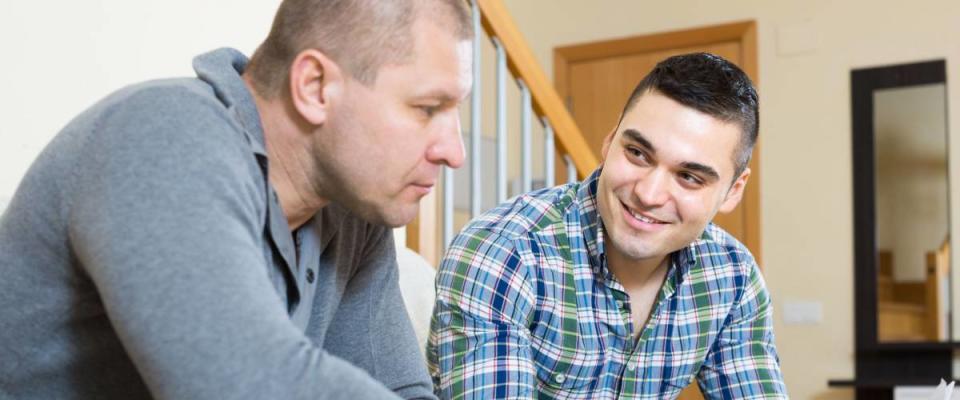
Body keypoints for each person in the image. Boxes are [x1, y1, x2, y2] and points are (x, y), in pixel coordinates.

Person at [0, 0, 472, 398]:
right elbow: (246, 382)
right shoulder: (162, 135)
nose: (454, 152)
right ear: (314, 86)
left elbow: (398, 388)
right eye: (427, 109)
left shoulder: (353, 209)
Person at [428, 53, 787, 399]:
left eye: (689, 177)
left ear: (732, 191)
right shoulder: (504, 252)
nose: (648, 194)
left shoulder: (733, 276)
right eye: (637, 153)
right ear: (610, 139)